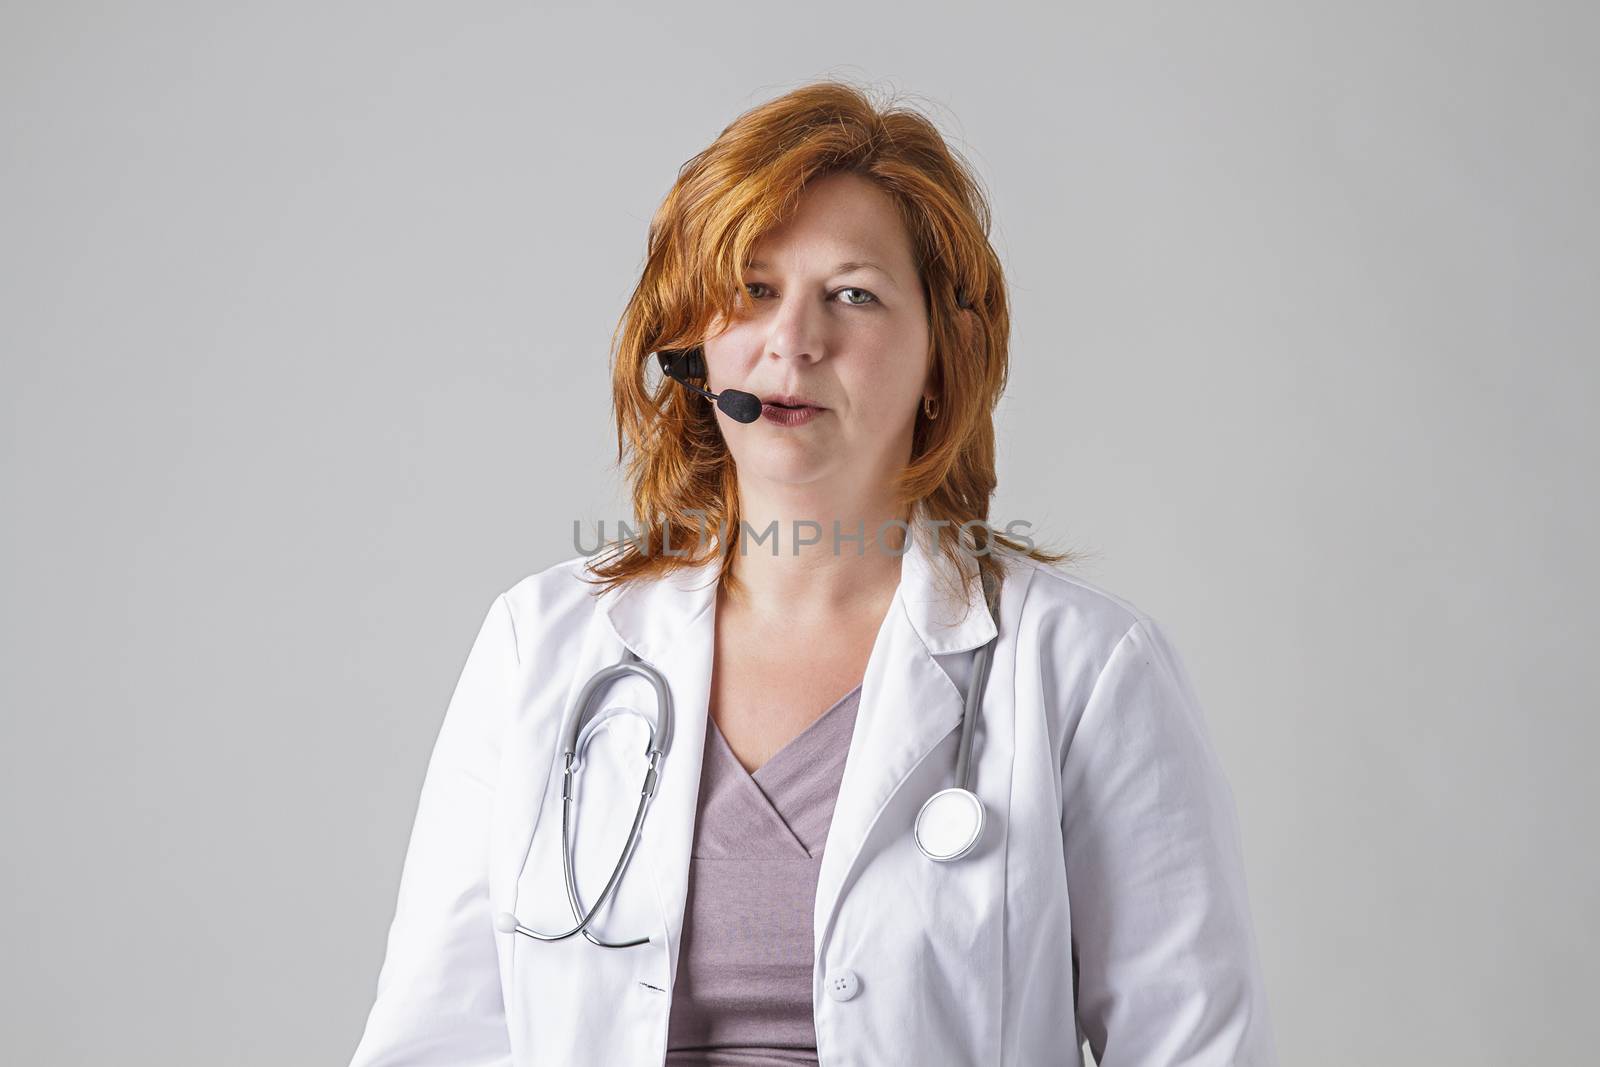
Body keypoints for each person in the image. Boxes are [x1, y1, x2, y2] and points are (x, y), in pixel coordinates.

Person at [348, 80, 1277, 1067]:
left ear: (940, 356)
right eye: (752, 288)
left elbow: (1193, 1045)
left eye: (853, 294)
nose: (793, 340)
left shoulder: (1085, 667)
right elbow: (433, 1036)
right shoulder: (542, 642)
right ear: (694, 343)